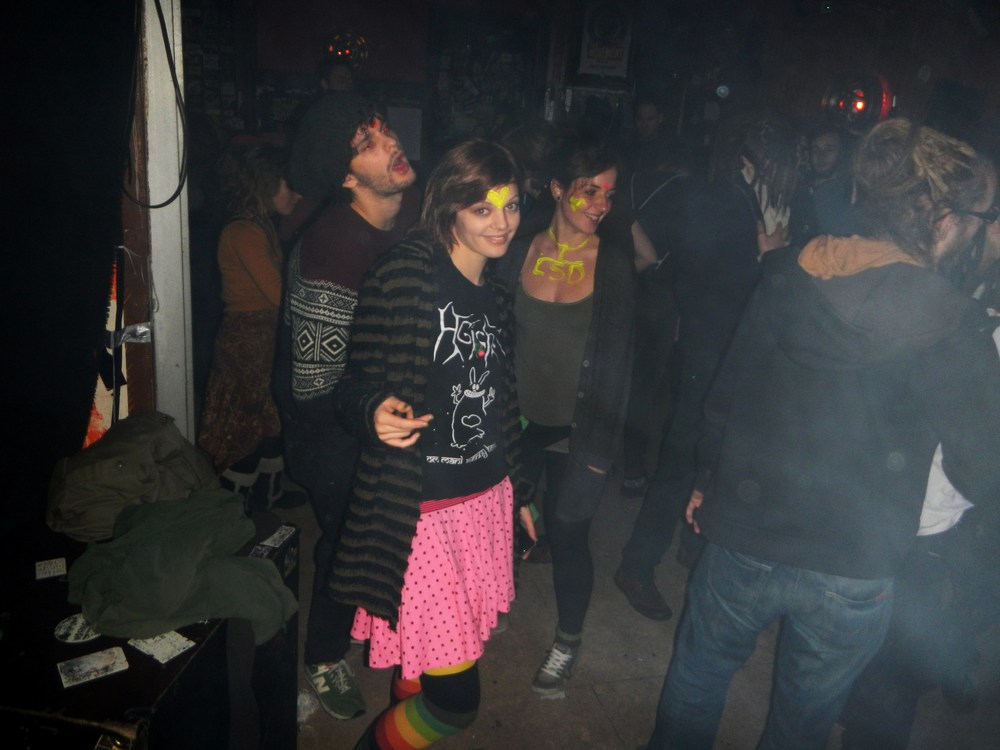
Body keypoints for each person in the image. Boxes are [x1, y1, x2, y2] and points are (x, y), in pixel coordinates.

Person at [643, 118, 1000, 750]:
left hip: (747, 526)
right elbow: (983, 465)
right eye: (978, 221)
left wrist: (706, 480)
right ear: (943, 220)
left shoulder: (791, 271)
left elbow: (726, 393)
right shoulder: (957, 324)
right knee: (801, 723)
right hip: (854, 561)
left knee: (699, 677)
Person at [327, 138, 536, 749]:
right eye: (483, 208)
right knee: (453, 705)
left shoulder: (498, 292)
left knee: (422, 662)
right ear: (450, 207)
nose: (502, 223)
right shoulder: (405, 275)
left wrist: (521, 491)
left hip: (484, 503)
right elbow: (351, 383)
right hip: (421, 514)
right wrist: (372, 409)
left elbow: (503, 405)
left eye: (511, 206)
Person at [615, 112, 799, 620]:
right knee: (683, 460)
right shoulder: (724, 201)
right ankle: (636, 565)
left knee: (707, 460)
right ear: (751, 162)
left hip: (720, 349)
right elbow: (711, 281)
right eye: (779, 168)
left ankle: (690, 545)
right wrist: (768, 259)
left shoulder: (743, 199)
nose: (785, 179)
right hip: (711, 352)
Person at [272, 91, 420, 720]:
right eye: (367, 143)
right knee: (346, 543)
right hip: (327, 432)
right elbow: (313, 384)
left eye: (382, 129)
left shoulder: (406, 220)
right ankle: (323, 657)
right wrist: (374, 414)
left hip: (374, 417)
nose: (390, 142)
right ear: (346, 176)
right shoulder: (332, 244)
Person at [838, 199, 1000, 750]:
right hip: (894, 507)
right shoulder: (947, 285)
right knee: (875, 657)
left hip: (934, 521)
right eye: (985, 218)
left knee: (893, 662)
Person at [494, 131, 636, 698]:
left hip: (578, 431)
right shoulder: (518, 249)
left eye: (609, 194)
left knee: (569, 532)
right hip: (518, 424)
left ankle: (567, 641)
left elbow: (620, 365)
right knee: (504, 521)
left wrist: (602, 452)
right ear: (557, 189)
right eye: (589, 191)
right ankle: (496, 600)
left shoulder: (614, 265)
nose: (601, 205)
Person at [196, 141, 304, 509]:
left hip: (262, 339)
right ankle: (233, 512)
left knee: (269, 420)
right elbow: (277, 294)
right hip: (247, 342)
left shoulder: (259, 224)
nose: (296, 194)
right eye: (288, 185)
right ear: (266, 184)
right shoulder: (243, 231)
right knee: (245, 429)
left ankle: (266, 499)